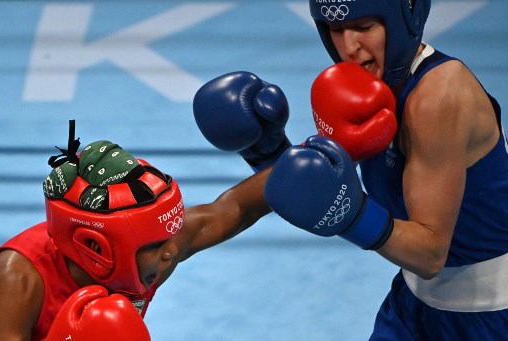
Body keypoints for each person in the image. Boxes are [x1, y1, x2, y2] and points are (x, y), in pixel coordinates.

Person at [192, 0, 508, 339]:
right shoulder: (360, 90)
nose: (349, 48)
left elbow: (429, 254)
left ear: (404, 19)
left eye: (364, 27)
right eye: (336, 29)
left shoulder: (438, 95)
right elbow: (306, 185)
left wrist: (351, 215)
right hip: (411, 307)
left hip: (492, 318)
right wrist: (176, 241)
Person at [0, 121, 271, 340]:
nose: (171, 252)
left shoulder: (157, 249)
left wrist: (291, 156)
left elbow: (235, 208)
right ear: (96, 248)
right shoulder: (17, 279)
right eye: (156, 245)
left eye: (170, 237)